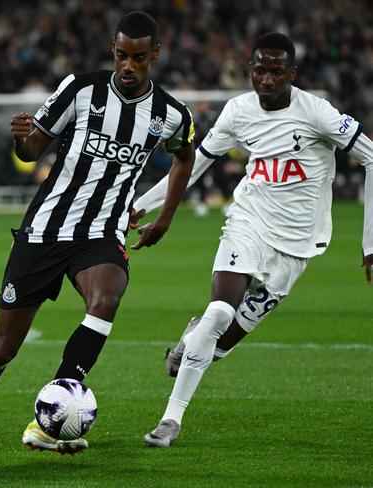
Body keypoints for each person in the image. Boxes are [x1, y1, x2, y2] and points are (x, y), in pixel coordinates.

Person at [0, 11, 196, 456]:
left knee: (106, 299)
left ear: (154, 54)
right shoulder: (81, 88)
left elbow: (185, 157)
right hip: (45, 229)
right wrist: (21, 140)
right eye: (121, 56)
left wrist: (165, 218)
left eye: (138, 58)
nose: (128, 67)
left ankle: (54, 414)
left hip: (103, 231)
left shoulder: (170, 114)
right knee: (3, 348)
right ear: (112, 51)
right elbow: (34, 146)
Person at [131, 32, 373, 448]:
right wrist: (142, 204)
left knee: (221, 344)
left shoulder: (318, 114)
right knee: (221, 312)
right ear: (250, 70)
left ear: (291, 74)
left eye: (277, 71)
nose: (267, 79)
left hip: (297, 246)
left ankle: (195, 337)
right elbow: (197, 162)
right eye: (259, 70)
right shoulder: (238, 111)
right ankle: (171, 419)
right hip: (249, 222)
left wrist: (370, 243)